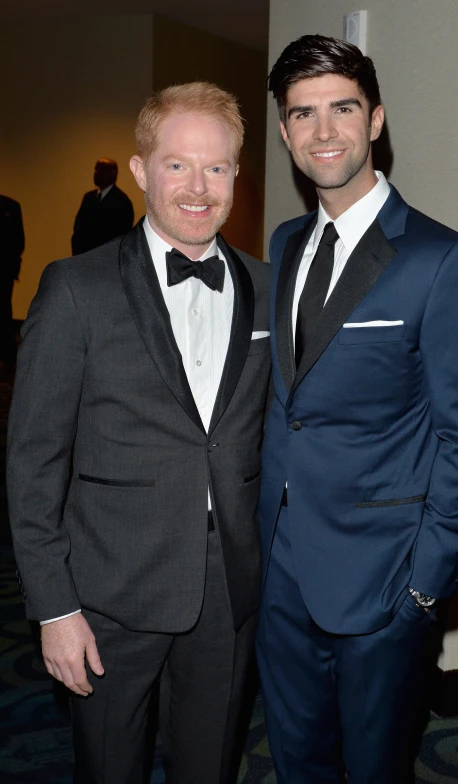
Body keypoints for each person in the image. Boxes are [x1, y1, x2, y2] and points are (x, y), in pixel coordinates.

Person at [7, 81, 271, 784]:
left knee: (209, 766)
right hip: (108, 591)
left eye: (216, 167)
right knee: (110, 769)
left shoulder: (266, 288)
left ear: (236, 175)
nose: (197, 187)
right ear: (140, 169)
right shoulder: (75, 289)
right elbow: (33, 460)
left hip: (229, 588)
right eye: (177, 164)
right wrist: (54, 606)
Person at [256, 35, 458, 784]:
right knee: (298, 761)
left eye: (342, 109)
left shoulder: (444, 261)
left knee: (373, 769)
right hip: (279, 569)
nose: (323, 131)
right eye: (303, 114)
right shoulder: (288, 241)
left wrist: (426, 586)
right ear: (286, 131)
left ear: (376, 119)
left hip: (385, 579)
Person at [71, 157, 134, 254]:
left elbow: (120, 238)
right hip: (83, 258)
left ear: (113, 173)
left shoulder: (122, 202)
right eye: (95, 169)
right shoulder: (88, 198)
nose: (95, 173)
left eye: (101, 169)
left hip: (106, 260)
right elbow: (78, 229)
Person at [0, 194, 24, 367]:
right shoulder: (11, 205)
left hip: (3, 269)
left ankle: (8, 356)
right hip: (6, 268)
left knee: (3, 310)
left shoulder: (11, 206)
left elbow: (18, 241)